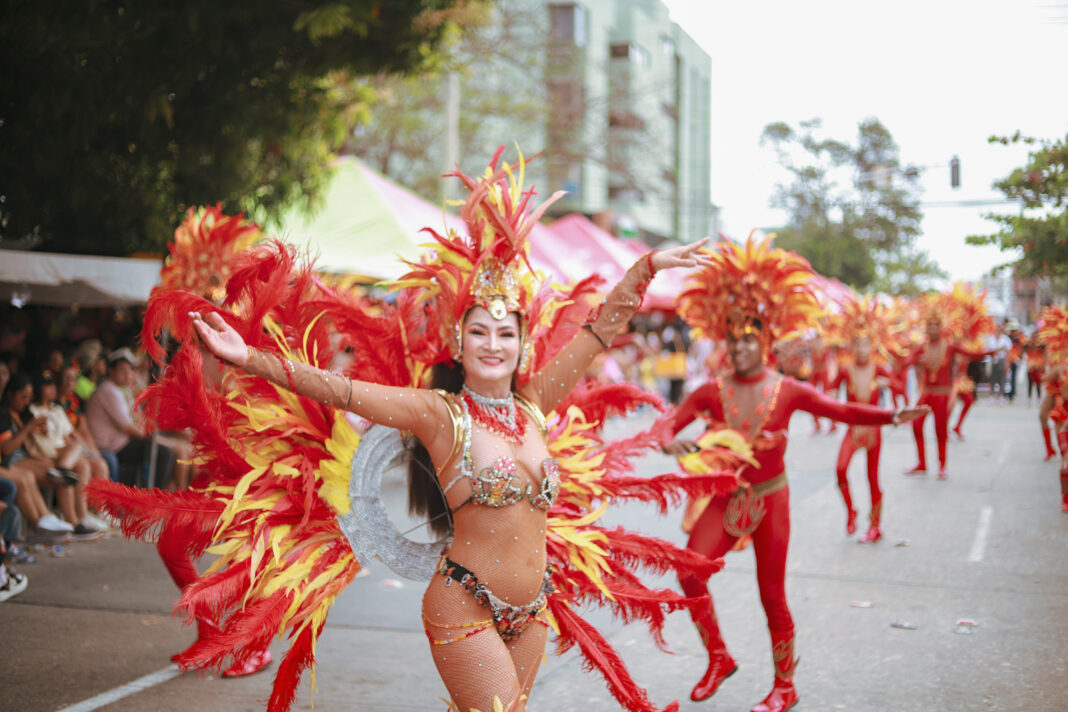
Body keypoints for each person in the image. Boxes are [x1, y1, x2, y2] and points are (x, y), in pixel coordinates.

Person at [665, 235, 926, 712]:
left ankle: (785, 686)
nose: (739, 347)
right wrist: (670, 441)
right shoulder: (709, 392)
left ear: (766, 343)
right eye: (732, 339)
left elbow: (842, 410)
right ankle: (719, 657)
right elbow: (667, 425)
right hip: (727, 499)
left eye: (748, 339)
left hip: (771, 499)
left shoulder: (787, 390)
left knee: (772, 596)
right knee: (689, 573)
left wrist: (891, 416)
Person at [901, 314, 991, 479]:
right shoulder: (922, 348)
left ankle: (942, 465)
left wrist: (993, 351)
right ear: (926, 328)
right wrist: (904, 356)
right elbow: (905, 361)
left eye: (936, 325)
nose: (933, 328)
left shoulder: (950, 346)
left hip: (942, 395)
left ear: (941, 328)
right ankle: (921, 463)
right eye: (930, 325)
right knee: (916, 425)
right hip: (926, 394)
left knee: (940, 430)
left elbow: (972, 354)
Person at [85, 348, 175, 488]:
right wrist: (151, 436)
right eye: (123, 371)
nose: (127, 375)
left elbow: (136, 420)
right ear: (111, 371)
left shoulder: (118, 389)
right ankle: (153, 496)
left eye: (130, 371)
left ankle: (155, 493)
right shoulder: (109, 390)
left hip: (120, 441)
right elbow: (128, 428)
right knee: (163, 452)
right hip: (111, 445)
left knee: (162, 450)